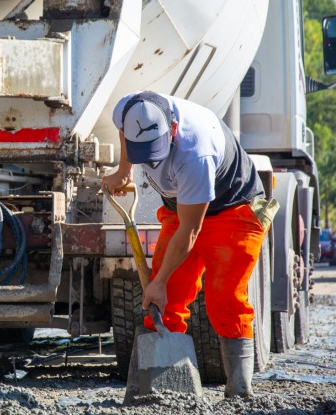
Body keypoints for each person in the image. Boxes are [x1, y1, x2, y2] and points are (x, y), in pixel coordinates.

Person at [102, 91, 274, 398]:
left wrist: (159, 280)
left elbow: (190, 232)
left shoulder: (196, 151)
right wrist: (124, 171)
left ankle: (239, 391)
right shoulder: (128, 110)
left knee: (225, 298)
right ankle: (159, 389)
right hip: (179, 209)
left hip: (234, 210)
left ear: (173, 130)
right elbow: (125, 133)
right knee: (166, 298)